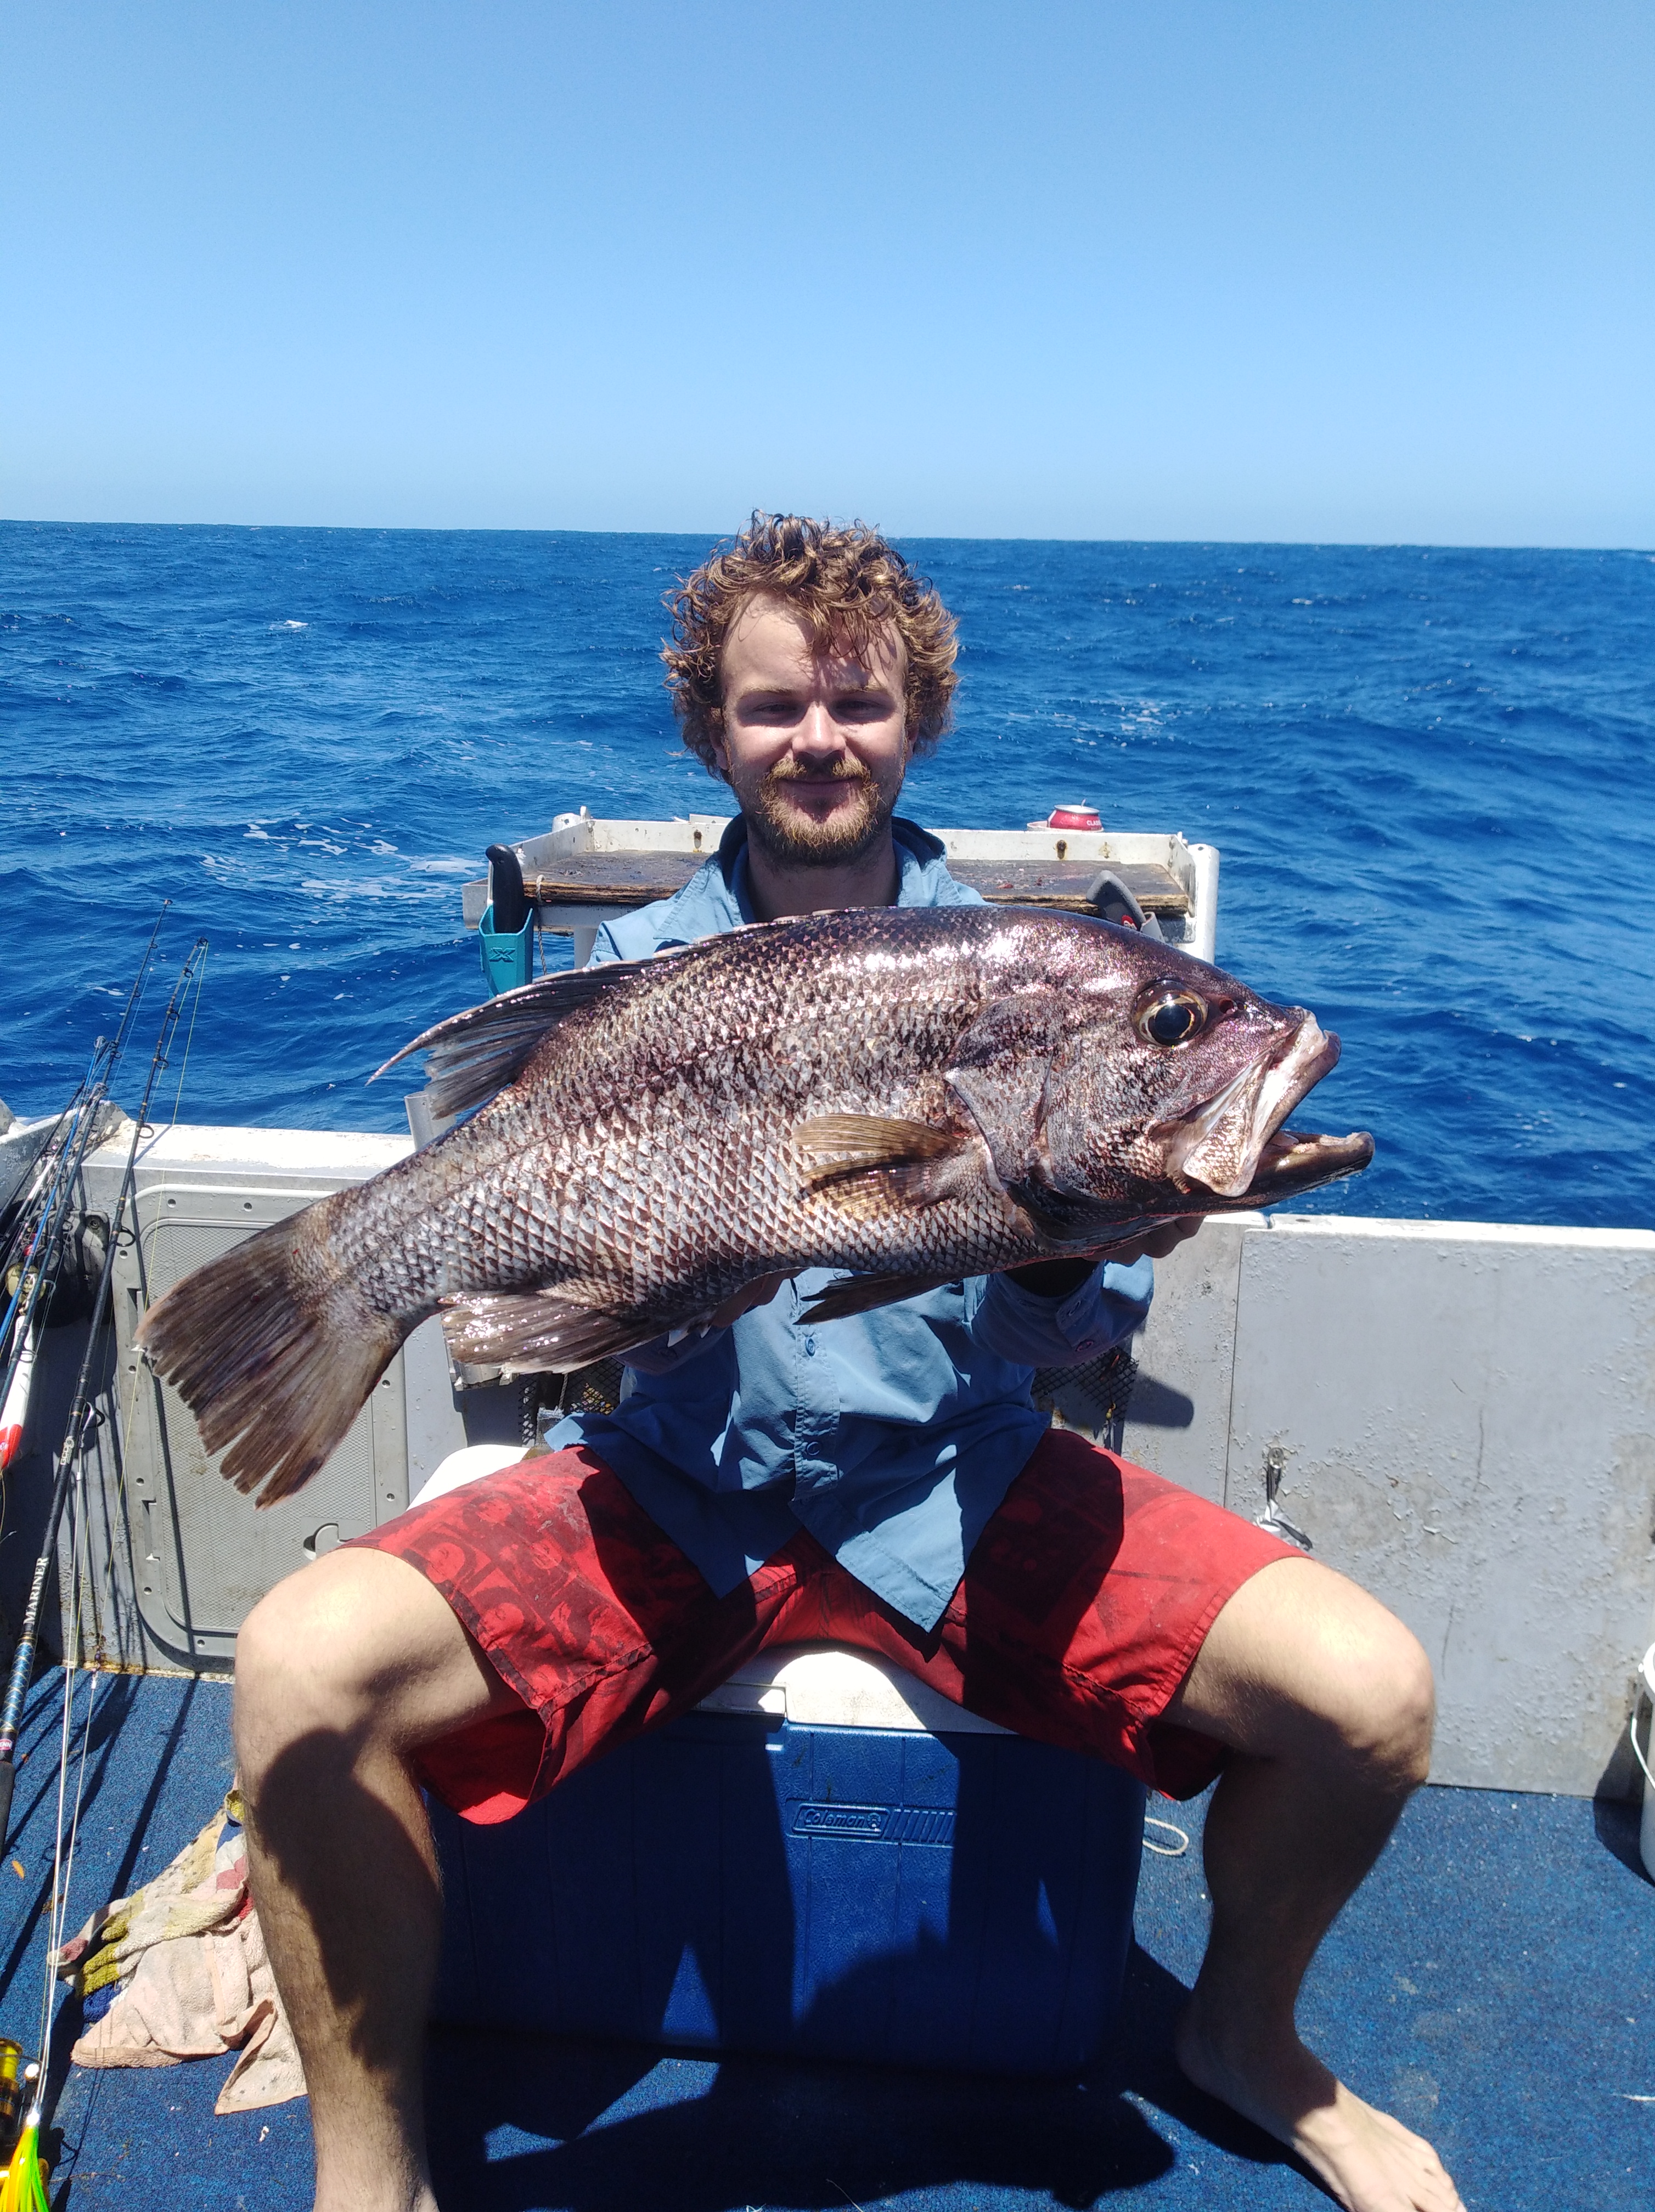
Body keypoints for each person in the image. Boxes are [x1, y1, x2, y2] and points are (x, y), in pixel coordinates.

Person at [233, 515, 1463, 2212]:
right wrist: (588, 1273)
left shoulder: (1032, 975)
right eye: (773, 708)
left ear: (916, 721)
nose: (818, 739)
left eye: (858, 704)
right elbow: (586, 1275)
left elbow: (1064, 1335)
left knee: (1371, 1702)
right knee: (297, 1669)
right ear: (713, 733)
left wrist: (1069, 1249)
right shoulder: (636, 974)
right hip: (678, 1490)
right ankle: (369, 2179)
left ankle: (1246, 2035)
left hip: (956, 1484)